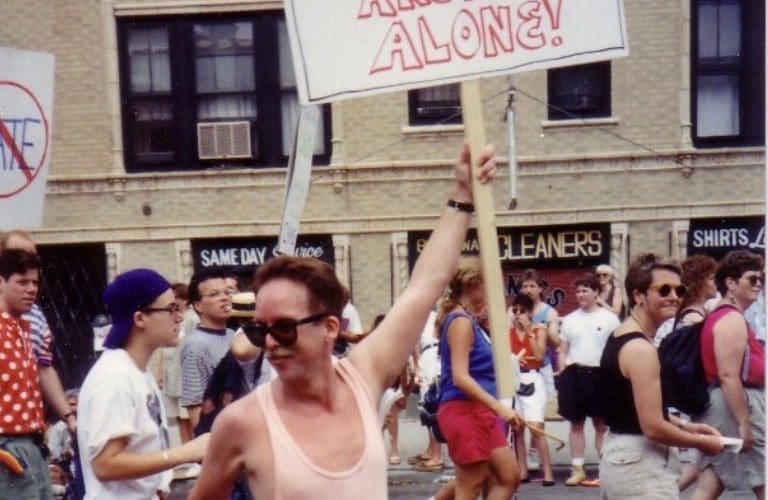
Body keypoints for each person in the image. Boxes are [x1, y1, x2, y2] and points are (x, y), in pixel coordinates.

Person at [187, 142, 498, 499]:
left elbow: (424, 286)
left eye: (285, 328)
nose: (270, 342)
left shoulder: (362, 377)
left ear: (330, 328)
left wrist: (462, 193)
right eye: (260, 330)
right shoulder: (243, 422)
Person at [599, 254, 723, 499]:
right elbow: (653, 427)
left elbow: (638, 408)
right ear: (638, 296)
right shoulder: (640, 349)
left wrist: (687, 425)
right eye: (664, 290)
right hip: (640, 463)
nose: (674, 296)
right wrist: (701, 443)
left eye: (679, 289)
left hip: (624, 455)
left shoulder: (623, 335)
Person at [77, 268, 209, 499]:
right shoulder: (114, 377)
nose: (179, 316)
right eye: (171, 309)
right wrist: (184, 453)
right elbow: (105, 465)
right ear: (139, 318)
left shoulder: (136, 371)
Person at [432, 255, 522, 499]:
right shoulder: (461, 322)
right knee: (470, 486)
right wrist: (500, 408)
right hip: (465, 410)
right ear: (473, 285)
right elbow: (460, 377)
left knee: (508, 476)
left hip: (479, 411)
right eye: (488, 283)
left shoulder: (466, 320)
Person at [690, 250, 765, 500]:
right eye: (752, 279)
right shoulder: (731, 318)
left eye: (762, 279)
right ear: (730, 283)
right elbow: (728, 375)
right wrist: (745, 424)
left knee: (711, 480)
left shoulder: (722, 314)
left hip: (725, 405)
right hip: (735, 405)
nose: (759, 284)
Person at [0, 232, 77, 434]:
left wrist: (68, 416)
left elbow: (43, 367)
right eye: (17, 255)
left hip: (29, 426)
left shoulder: (34, 315)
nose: (26, 260)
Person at [0, 249, 55, 499]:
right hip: (7, 446)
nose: (31, 289)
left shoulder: (23, 327)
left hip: (32, 445)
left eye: (35, 282)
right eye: (22, 282)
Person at [557, 273, 619, 486]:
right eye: (578, 291)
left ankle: (604, 471)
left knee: (601, 426)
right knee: (576, 424)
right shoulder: (569, 319)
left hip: (600, 375)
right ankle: (577, 470)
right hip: (575, 374)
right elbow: (563, 349)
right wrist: (562, 369)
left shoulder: (610, 319)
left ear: (596, 292)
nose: (580, 295)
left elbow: (616, 350)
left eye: (585, 290)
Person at [180, 269, 236, 430]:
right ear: (198, 306)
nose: (225, 298)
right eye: (214, 294)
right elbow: (195, 406)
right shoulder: (195, 345)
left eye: (227, 292)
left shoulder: (234, 335)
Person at [509, 294, 553, 486]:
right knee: (517, 427)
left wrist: (528, 332)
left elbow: (540, 354)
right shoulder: (508, 332)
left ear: (529, 313)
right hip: (515, 378)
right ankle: (522, 469)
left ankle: (548, 472)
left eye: (522, 311)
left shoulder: (539, 330)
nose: (518, 314)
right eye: (515, 310)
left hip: (534, 378)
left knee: (536, 427)